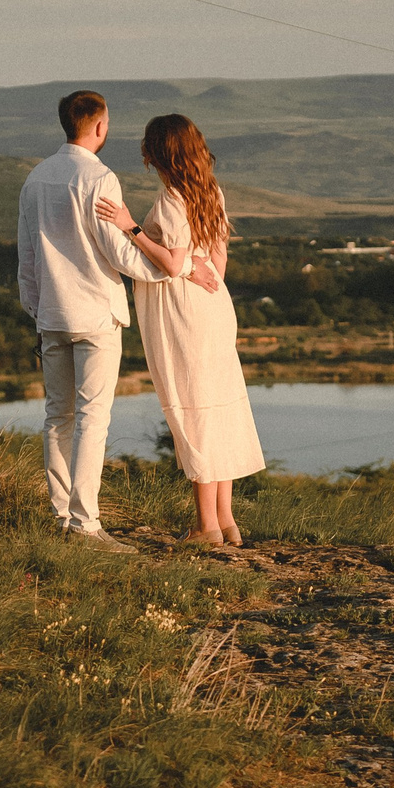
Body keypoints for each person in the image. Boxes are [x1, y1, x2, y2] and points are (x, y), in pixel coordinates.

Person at [15, 90, 216, 550]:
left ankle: (61, 516)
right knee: (92, 419)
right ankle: (85, 524)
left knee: (57, 416)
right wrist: (183, 266)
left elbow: (27, 253)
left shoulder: (36, 177)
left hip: (51, 313)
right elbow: (121, 254)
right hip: (95, 314)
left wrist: (36, 307)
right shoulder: (99, 179)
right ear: (100, 126)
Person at [93, 113, 266, 546]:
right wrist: (197, 270)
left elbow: (171, 263)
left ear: (157, 154)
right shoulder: (211, 192)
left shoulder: (172, 200)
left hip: (183, 313)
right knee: (217, 410)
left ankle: (206, 527)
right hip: (213, 306)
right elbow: (218, 265)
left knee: (195, 413)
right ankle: (226, 521)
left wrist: (130, 226)